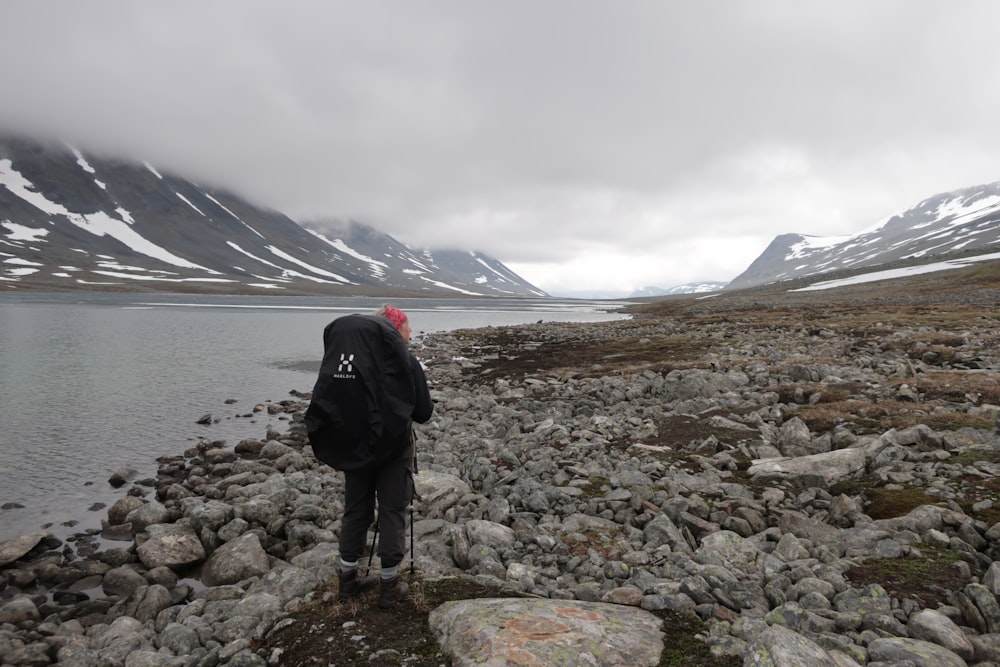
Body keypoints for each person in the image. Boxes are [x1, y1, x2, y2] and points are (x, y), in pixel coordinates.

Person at [305, 305, 433, 608]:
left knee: (355, 510)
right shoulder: (407, 362)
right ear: (395, 329)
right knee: (392, 511)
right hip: (394, 449)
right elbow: (423, 413)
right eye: (407, 326)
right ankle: (389, 588)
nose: (410, 332)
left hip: (356, 445)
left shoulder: (350, 360)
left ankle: (347, 583)